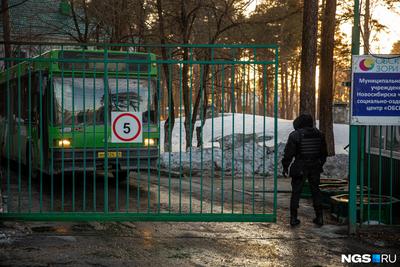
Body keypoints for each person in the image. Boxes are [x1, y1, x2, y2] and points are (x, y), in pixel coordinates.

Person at [282, 114, 328, 227]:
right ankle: (320, 217)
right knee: (316, 192)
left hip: (300, 167)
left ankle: (293, 218)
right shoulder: (320, 134)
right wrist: (318, 164)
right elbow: (324, 154)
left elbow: (288, 154)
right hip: (314, 167)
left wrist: (285, 166)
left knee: (296, 193)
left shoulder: (295, 135)